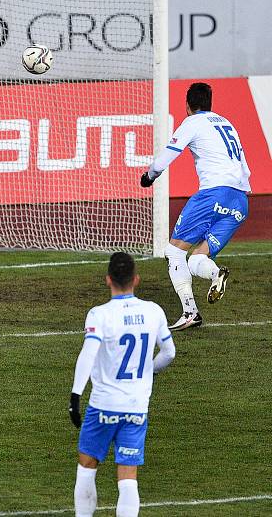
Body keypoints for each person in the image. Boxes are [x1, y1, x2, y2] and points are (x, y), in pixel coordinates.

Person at [68, 252, 176, 517]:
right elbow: (169, 352)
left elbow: (88, 353)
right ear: (136, 279)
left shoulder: (99, 314)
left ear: (108, 280)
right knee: (128, 476)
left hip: (103, 405)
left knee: (87, 466)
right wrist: (147, 372)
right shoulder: (154, 311)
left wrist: (75, 395)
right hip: (136, 406)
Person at [141, 82, 250, 331]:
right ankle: (215, 275)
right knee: (196, 259)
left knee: (175, 252)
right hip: (240, 202)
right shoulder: (226, 123)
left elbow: (165, 158)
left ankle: (190, 312)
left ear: (188, 106)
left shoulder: (192, 122)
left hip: (213, 194)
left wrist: (149, 176)